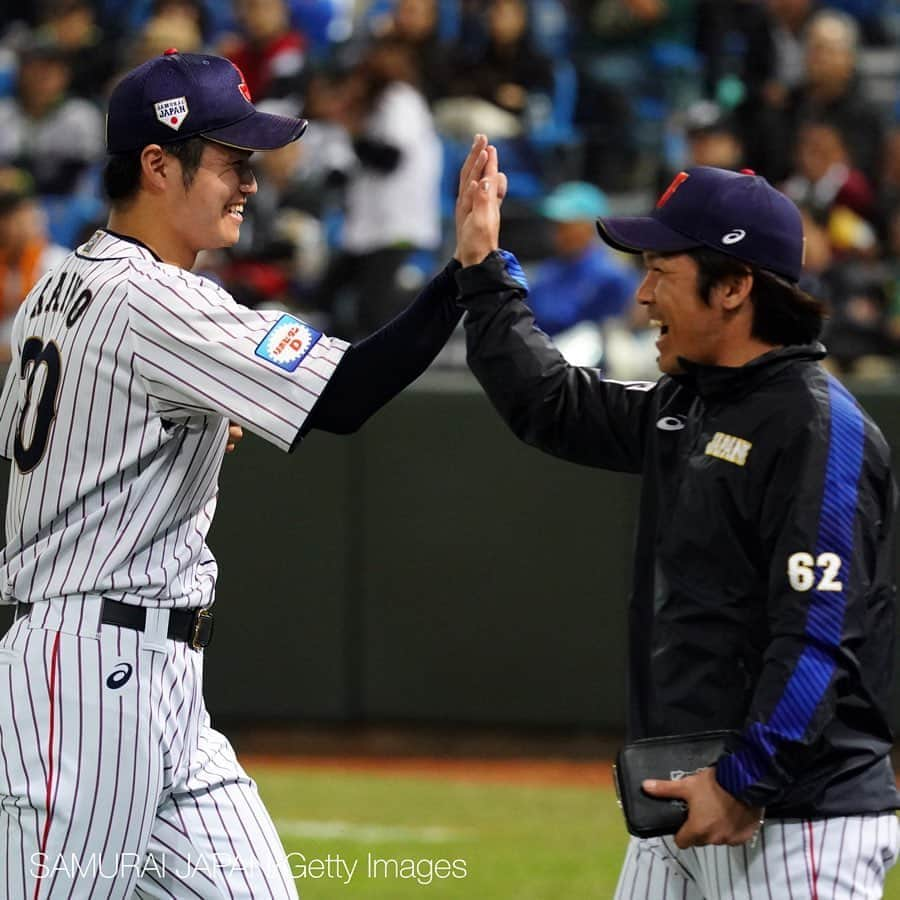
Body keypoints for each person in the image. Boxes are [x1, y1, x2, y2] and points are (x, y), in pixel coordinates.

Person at [0, 49, 503, 898]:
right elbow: (344, 395)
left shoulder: (59, 285)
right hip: (82, 676)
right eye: (232, 160)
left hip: (151, 674)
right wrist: (466, 273)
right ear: (158, 164)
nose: (251, 183)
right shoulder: (151, 298)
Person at [456, 164, 900, 897]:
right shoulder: (692, 401)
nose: (642, 293)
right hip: (686, 801)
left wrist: (745, 781)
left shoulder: (816, 427)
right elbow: (550, 403)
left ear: (733, 288)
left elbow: (821, 637)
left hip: (795, 817)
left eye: (662, 270)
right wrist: (483, 269)